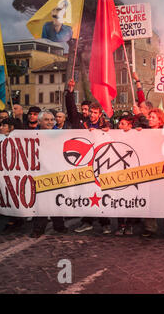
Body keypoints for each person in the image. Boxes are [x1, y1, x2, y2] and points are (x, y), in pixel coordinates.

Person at [65, 79, 112, 234]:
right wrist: (70, 92)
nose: (92, 115)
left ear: (99, 114)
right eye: (90, 112)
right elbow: (71, 109)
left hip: (102, 166)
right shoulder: (81, 124)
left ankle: (105, 223)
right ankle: (87, 221)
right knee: (86, 193)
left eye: (95, 112)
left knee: (102, 194)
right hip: (85, 166)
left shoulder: (106, 127)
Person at [30, 111, 68, 238]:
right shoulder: (30, 135)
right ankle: (38, 228)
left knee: (56, 201)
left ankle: (59, 226)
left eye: (52, 119)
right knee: (41, 203)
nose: (51, 122)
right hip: (39, 173)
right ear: (39, 121)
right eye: (47, 120)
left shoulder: (59, 134)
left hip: (55, 173)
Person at [142, 108, 164, 239]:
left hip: (163, 170)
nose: (149, 119)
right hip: (148, 169)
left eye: (153, 117)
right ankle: (150, 227)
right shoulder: (143, 133)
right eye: (149, 117)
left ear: (160, 120)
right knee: (149, 198)